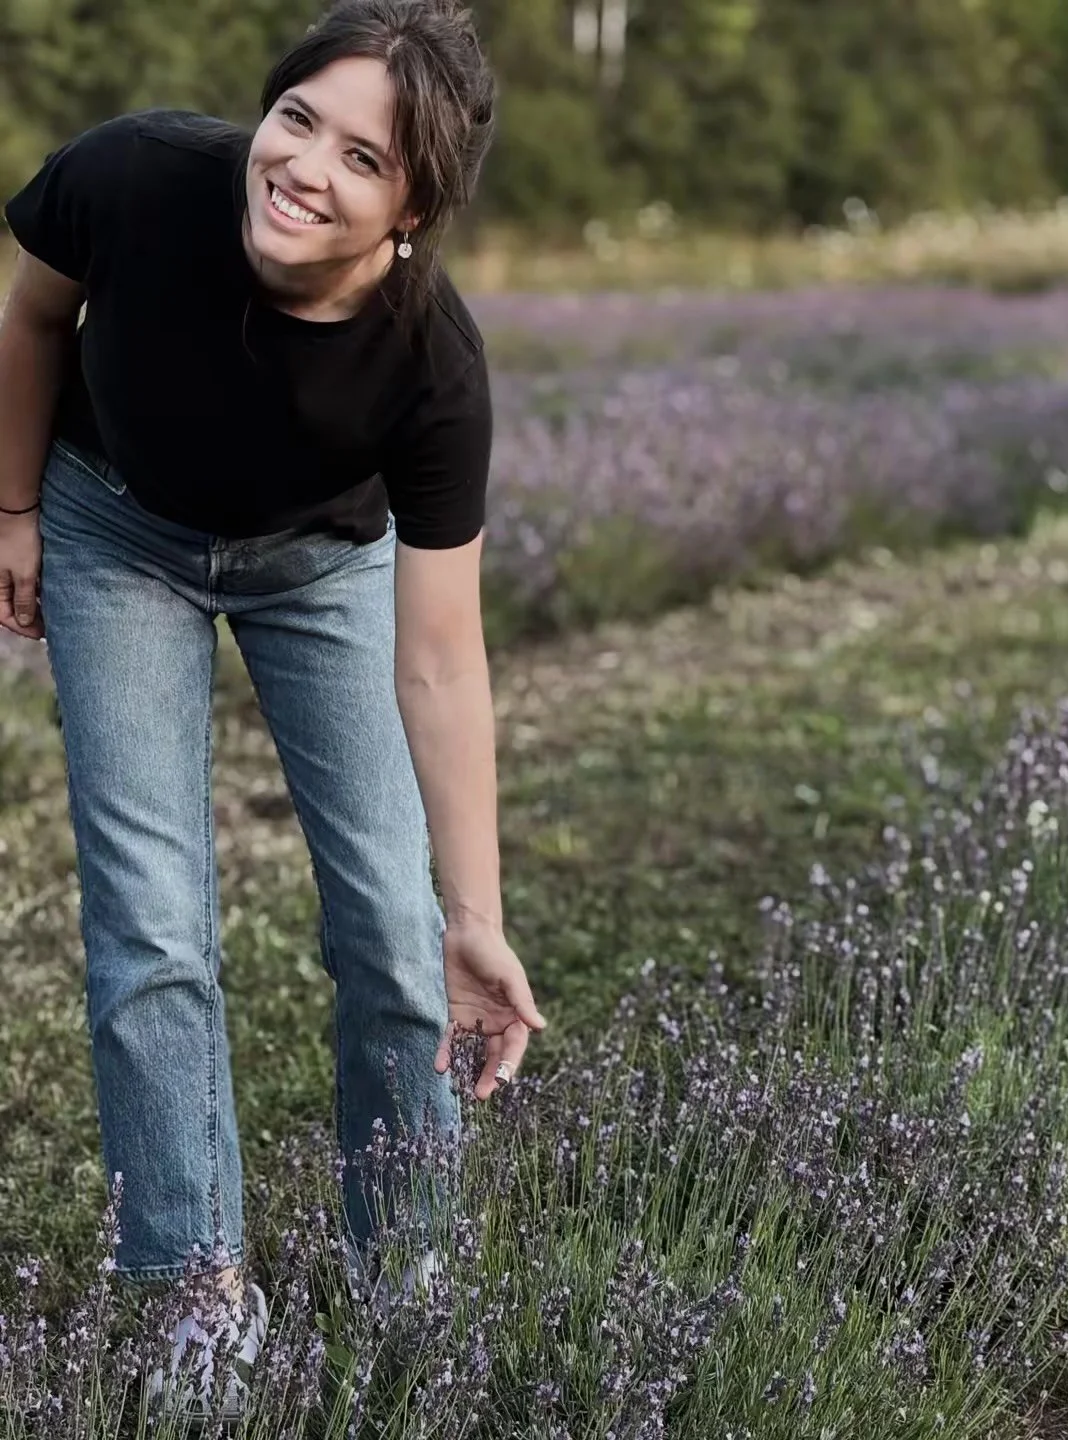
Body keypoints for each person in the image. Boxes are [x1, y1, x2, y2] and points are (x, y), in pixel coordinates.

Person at [0, 0, 547, 1415]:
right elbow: (27, 308)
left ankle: (408, 1273)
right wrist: (9, 507)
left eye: (364, 159)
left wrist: (475, 915)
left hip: (323, 563)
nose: (305, 167)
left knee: (388, 921)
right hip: (114, 528)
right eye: (298, 118)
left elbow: (440, 659)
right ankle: (196, 1291)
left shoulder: (433, 368)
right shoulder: (132, 177)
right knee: (152, 920)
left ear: (414, 212)